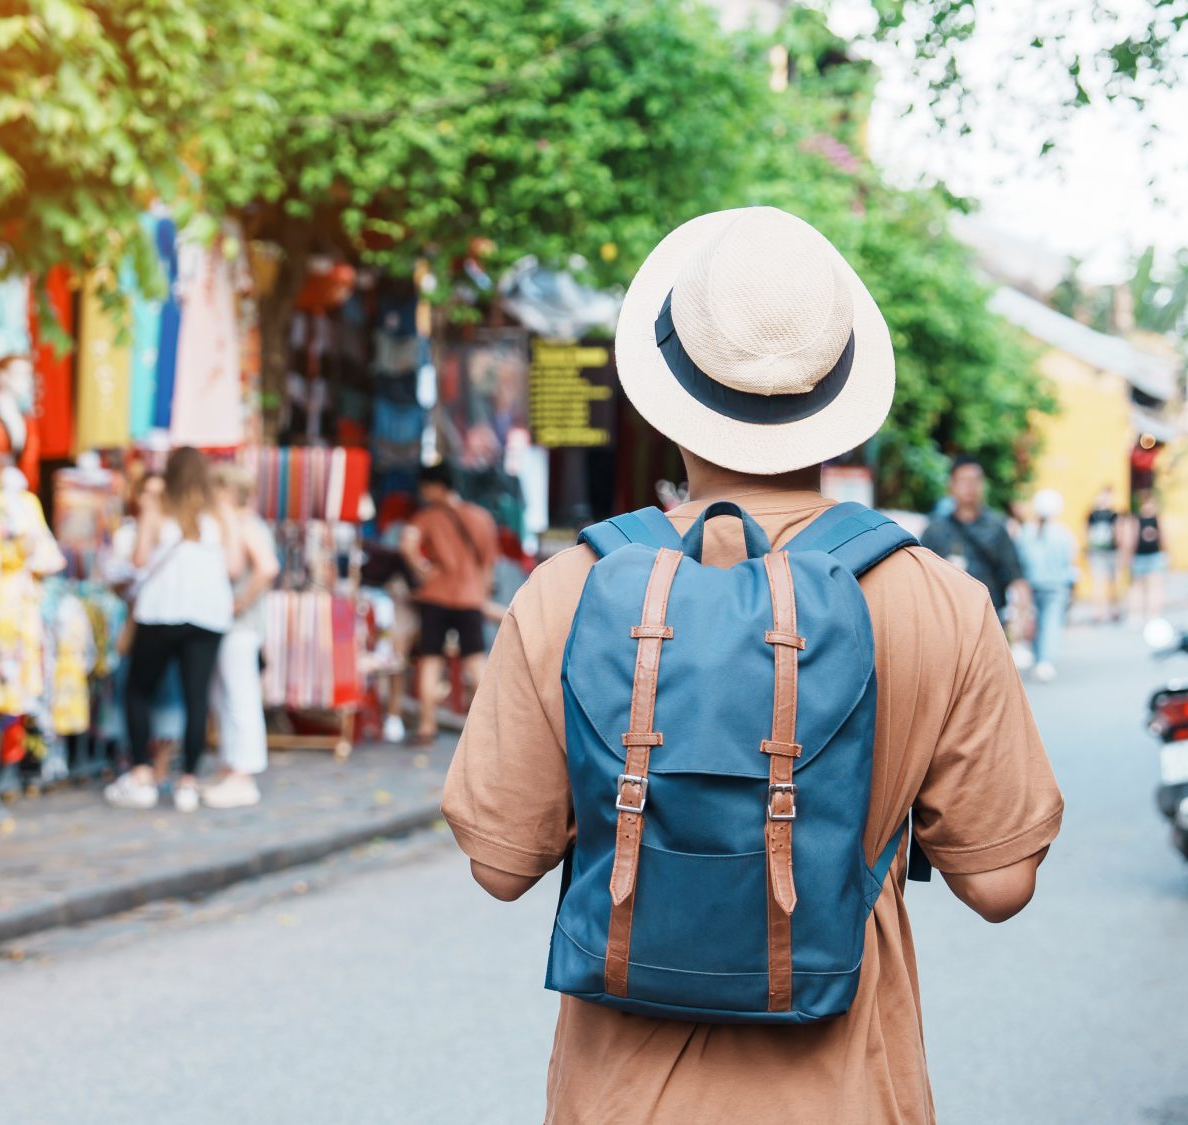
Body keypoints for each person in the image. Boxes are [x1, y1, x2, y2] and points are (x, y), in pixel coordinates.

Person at [443, 206, 1061, 1124]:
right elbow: (1001, 884)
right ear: (840, 402)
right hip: (851, 1094)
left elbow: (500, 865)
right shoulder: (940, 599)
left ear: (669, 392)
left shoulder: (573, 588)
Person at [104, 447, 240, 813]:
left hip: (161, 611)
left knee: (138, 690)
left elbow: (138, 559)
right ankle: (188, 782)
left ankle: (142, 774)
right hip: (207, 614)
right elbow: (234, 566)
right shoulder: (219, 511)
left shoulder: (158, 507)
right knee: (196, 696)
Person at [401, 463, 500, 742]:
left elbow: (407, 544)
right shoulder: (481, 517)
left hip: (436, 596)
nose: (423, 493)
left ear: (436, 486)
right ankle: (483, 732)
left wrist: (421, 569)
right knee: (475, 662)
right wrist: (481, 592)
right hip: (470, 597)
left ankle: (426, 726)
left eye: (425, 487)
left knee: (431, 661)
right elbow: (489, 563)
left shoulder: (427, 517)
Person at [201, 464, 280, 809]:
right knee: (228, 697)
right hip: (235, 625)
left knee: (239, 697)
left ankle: (242, 775)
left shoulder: (245, 524)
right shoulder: (239, 524)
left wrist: (240, 602)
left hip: (241, 626)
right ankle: (233, 769)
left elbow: (267, 567)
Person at [920, 457, 1031, 628]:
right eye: (964, 480)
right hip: (946, 624)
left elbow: (1015, 574)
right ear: (951, 485)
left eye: (975, 480)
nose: (970, 486)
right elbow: (919, 578)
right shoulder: (936, 530)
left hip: (990, 621)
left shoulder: (996, 528)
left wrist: (1025, 616)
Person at [1016, 489, 1079, 682]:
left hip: (1031, 584)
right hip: (1056, 585)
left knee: (1034, 621)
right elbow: (1069, 562)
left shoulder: (1025, 532)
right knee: (1051, 623)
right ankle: (1045, 661)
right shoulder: (1062, 533)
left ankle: (1037, 658)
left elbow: (1019, 560)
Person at [1125, 491, 1167, 622]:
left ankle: (1152, 614)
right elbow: (1131, 539)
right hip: (1140, 557)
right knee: (1137, 587)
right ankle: (1136, 614)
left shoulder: (1157, 519)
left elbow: (1164, 538)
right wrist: (1128, 557)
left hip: (1154, 555)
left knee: (1154, 586)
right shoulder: (1136, 520)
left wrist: (1166, 553)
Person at [1083, 487, 1121, 622]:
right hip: (1103, 551)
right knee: (1104, 582)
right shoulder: (1108, 514)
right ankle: (1103, 611)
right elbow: (1118, 532)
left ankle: (1105, 611)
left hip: (1105, 551)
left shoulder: (1102, 514)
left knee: (1107, 582)